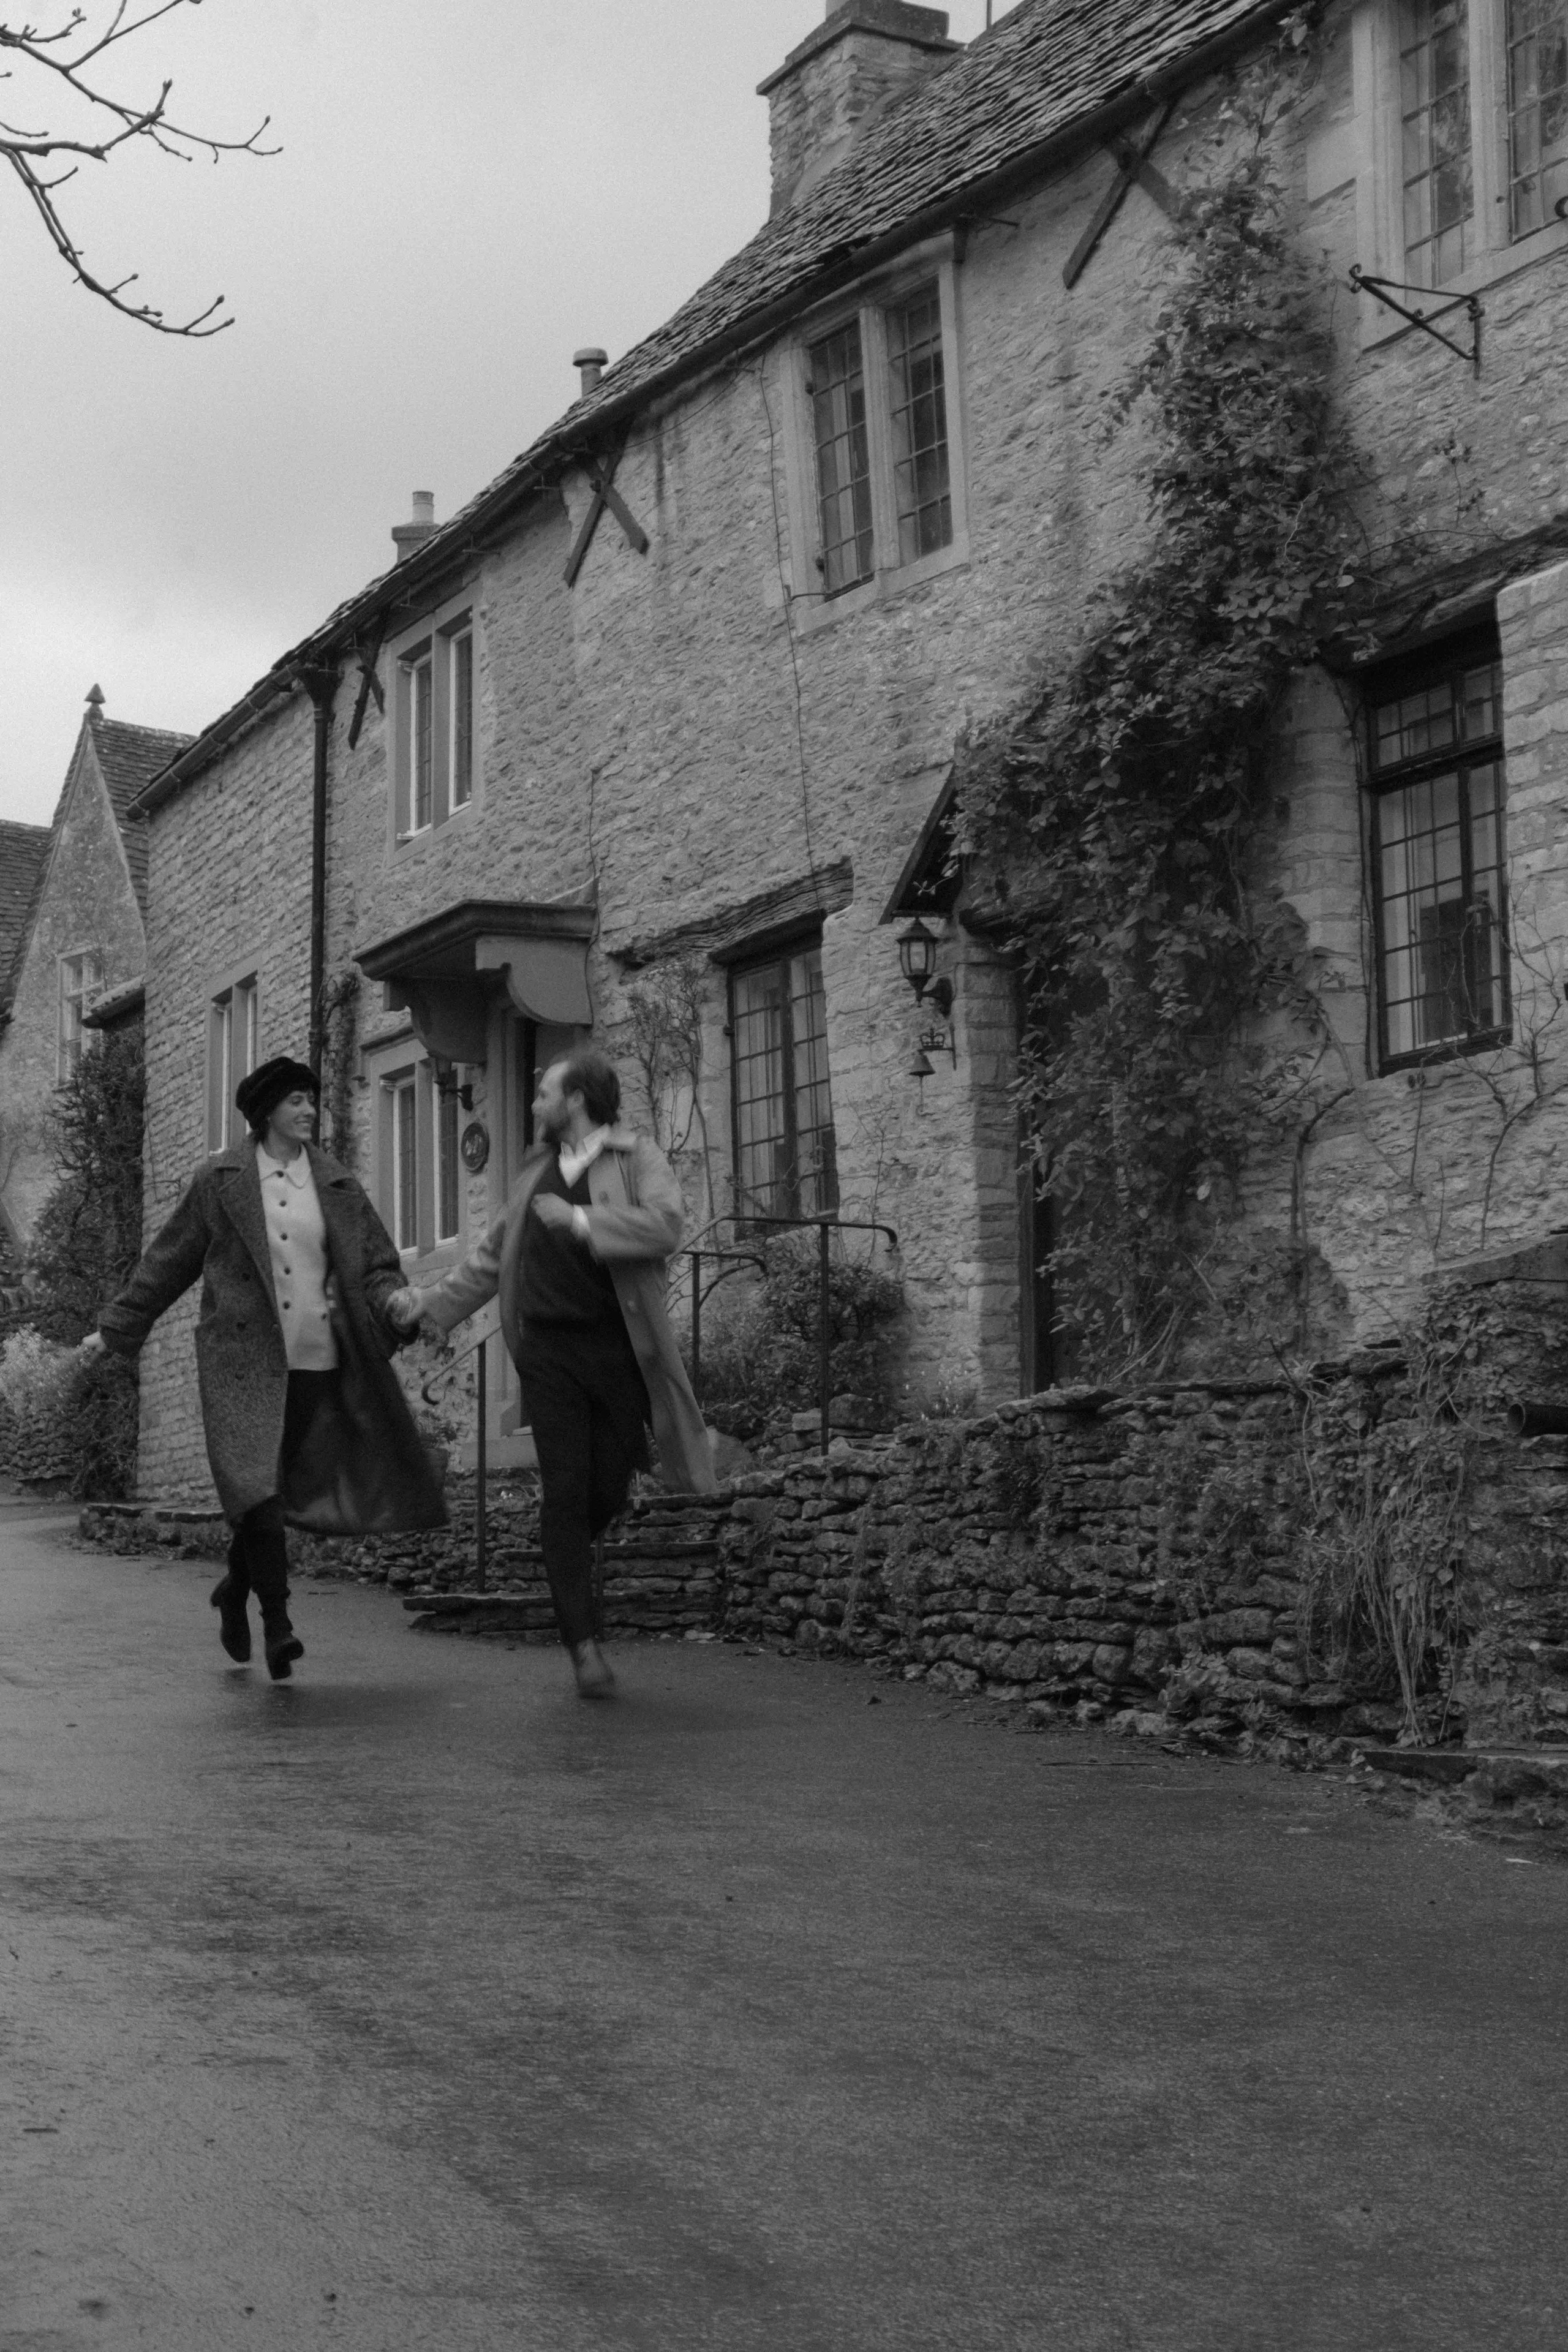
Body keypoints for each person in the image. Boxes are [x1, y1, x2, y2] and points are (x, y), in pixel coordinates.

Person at [83, 1055, 446, 1679]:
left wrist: (395, 1303)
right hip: (241, 1360)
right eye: (296, 1101)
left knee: (272, 1493)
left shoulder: (335, 1184)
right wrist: (115, 1330)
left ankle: (233, 1591)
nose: (308, 1110)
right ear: (267, 1112)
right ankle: (278, 1625)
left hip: (318, 1358)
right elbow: (169, 1261)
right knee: (260, 1489)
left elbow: (379, 1265)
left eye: (312, 1100)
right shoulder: (219, 1180)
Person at [390, 1047, 714, 1698]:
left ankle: (561, 1554)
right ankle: (583, 1644)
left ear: (576, 1100)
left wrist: (584, 1220)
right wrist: (432, 1305)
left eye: (544, 1093)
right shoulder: (533, 1170)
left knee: (610, 1486)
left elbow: (667, 1223)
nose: (535, 1103)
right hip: (544, 1352)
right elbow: (488, 1258)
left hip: (619, 1350)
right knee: (566, 1492)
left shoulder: (635, 1158)